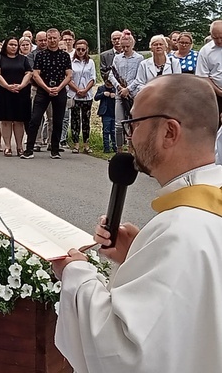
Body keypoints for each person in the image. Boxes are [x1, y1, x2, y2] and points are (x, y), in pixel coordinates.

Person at [53, 74, 222, 373]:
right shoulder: (204, 211)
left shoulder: (179, 232)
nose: (128, 135)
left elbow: (126, 355)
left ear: (169, 132)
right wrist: (138, 255)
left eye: (134, 123)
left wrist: (77, 274)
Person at [22, 28, 72, 159]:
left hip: (59, 90)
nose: (52, 40)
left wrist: (59, 87)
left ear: (59, 38)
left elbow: (69, 75)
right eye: (49, 38)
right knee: (35, 119)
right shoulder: (40, 55)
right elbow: (36, 74)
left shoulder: (65, 56)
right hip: (43, 91)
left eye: (54, 38)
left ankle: (55, 150)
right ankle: (29, 149)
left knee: (57, 120)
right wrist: (46, 88)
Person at [0, 37, 33, 156]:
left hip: (21, 92)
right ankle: (7, 146)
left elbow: (29, 73)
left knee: (19, 120)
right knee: (6, 120)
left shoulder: (23, 59)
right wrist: (7, 86)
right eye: (11, 44)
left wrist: (21, 85)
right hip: (4, 92)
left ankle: (19, 146)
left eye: (15, 45)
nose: (14, 47)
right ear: (6, 46)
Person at [108, 30, 143, 152]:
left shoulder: (139, 58)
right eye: (123, 47)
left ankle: (131, 149)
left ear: (132, 45)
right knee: (118, 124)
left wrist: (128, 89)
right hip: (119, 94)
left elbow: (139, 77)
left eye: (127, 46)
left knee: (132, 123)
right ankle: (119, 149)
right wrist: (119, 87)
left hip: (133, 95)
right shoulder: (117, 58)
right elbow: (111, 75)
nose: (125, 49)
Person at [67, 40, 96, 154]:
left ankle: (86, 144)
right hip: (74, 95)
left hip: (87, 95)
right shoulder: (70, 61)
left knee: (86, 120)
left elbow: (93, 78)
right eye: (78, 49)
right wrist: (77, 90)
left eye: (83, 49)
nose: (80, 52)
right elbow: (68, 78)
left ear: (86, 49)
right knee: (75, 120)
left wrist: (85, 90)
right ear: (75, 48)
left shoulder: (91, 62)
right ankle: (76, 144)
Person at [196, 20, 222, 120]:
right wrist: (219, 92)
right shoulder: (205, 51)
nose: (219, 41)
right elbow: (203, 76)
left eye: (221, 37)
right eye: (215, 38)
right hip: (214, 94)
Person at [94, 80, 117, 153]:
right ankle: (106, 148)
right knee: (106, 131)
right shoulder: (101, 88)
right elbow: (96, 98)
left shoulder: (116, 89)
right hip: (105, 113)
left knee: (114, 131)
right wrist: (103, 94)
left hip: (114, 113)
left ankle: (115, 147)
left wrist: (115, 96)